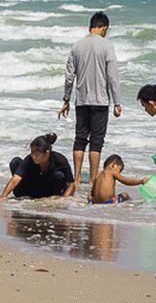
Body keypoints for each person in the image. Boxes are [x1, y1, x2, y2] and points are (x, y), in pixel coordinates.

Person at [57, 11, 122, 190]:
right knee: (96, 141)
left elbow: (69, 76)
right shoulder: (107, 46)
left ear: (90, 26)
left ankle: (76, 178)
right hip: (100, 101)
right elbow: (113, 76)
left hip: (81, 101)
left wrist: (66, 99)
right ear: (104, 28)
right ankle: (93, 180)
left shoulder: (76, 46)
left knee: (80, 139)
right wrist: (117, 102)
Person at [0, 133, 76, 202]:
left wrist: (64, 200)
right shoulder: (30, 159)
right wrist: (3, 197)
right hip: (31, 189)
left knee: (59, 175)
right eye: (32, 153)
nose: (33, 157)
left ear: (47, 153)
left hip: (49, 192)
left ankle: (52, 199)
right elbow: (15, 179)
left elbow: (71, 185)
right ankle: (22, 196)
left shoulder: (60, 160)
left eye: (36, 155)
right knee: (15, 161)